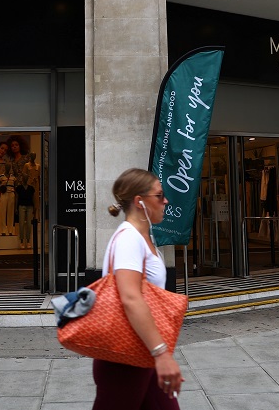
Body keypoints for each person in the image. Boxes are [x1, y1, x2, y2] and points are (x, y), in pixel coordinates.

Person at [93, 168, 183, 410]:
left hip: (141, 352)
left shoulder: (139, 237)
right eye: (159, 195)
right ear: (139, 202)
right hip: (125, 356)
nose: (165, 201)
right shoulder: (129, 239)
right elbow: (130, 298)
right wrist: (162, 353)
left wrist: (158, 354)